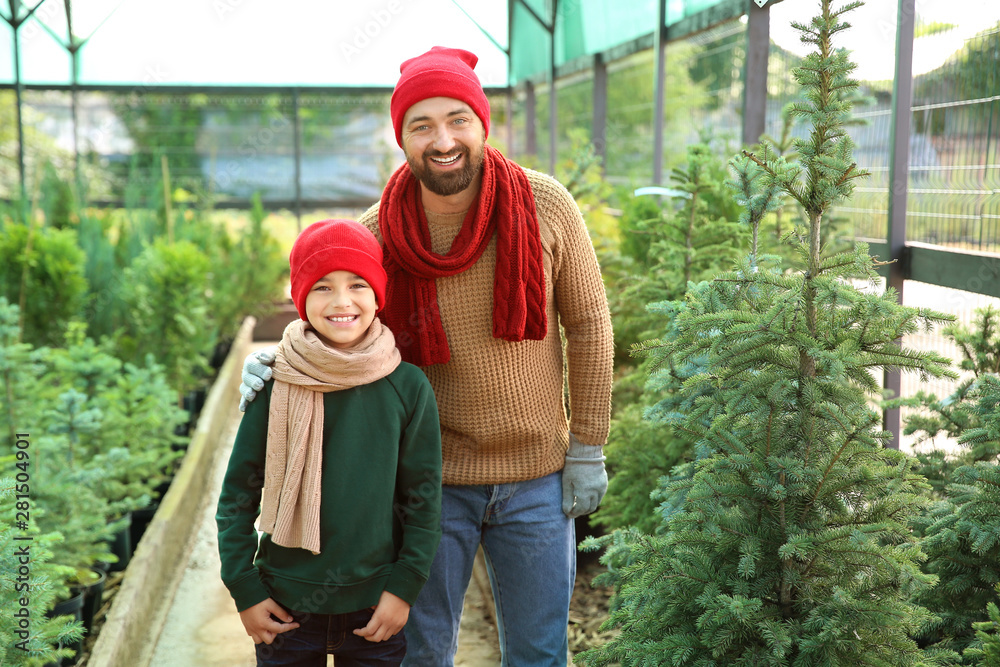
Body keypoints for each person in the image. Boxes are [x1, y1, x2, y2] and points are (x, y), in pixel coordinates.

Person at [241, 46, 614, 667]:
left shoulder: (545, 205)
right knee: (422, 654)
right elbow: (339, 326)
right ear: (403, 139)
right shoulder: (380, 230)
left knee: (540, 654)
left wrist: (589, 448)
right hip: (426, 486)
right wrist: (280, 364)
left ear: (481, 122)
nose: (443, 139)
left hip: (540, 479)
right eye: (422, 125)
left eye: (456, 118)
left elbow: (591, 326)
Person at [217, 219, 442, 667]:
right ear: (300, 300)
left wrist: (403, 588)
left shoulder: (407, 386)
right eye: (322, 287)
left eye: (357, 284)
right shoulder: (276, 382)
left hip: (375, 606)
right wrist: (245, 590)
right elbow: (238, 494)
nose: (342, 302)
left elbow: (423, 499)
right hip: (284, 608)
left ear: (378, 295)